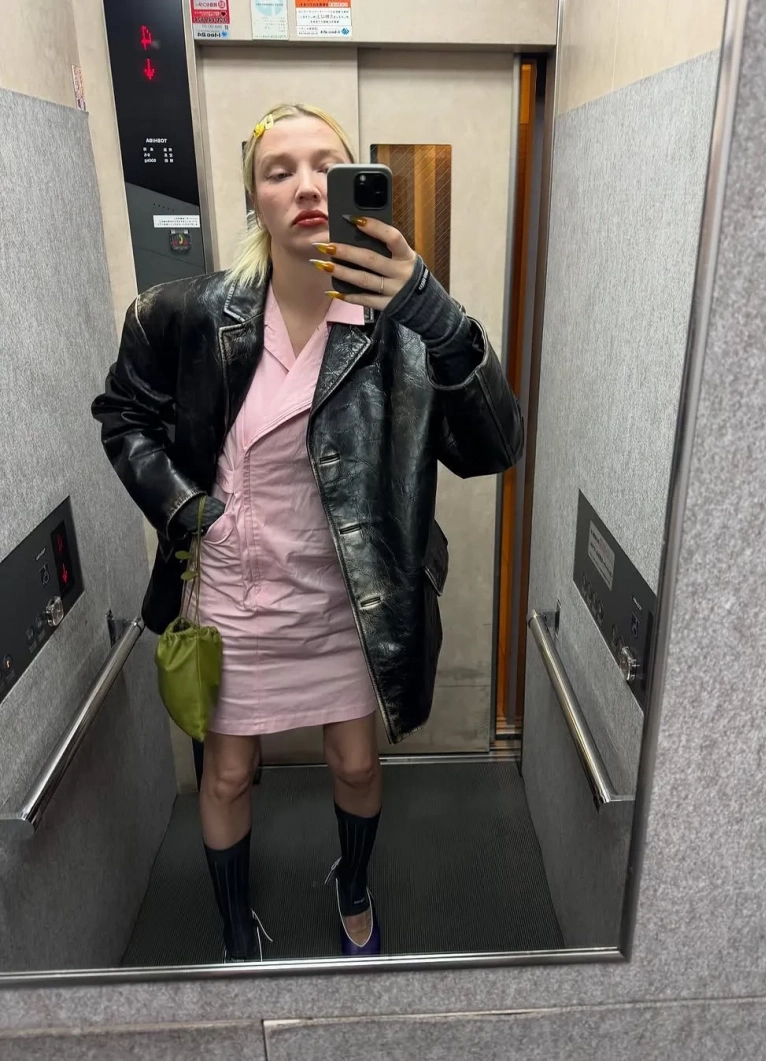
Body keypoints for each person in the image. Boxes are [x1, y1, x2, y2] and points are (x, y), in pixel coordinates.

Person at [91, 102, 524, 962]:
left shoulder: (402, 324)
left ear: (358, 183)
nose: (306, 186)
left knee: (358, 765)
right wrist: (188, 508)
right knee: (228, 772)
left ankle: (354, 884)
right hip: (237, 590)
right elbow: (122, 415)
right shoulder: (187, 314)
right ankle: (233, 929)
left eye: (327, 164)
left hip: (346, 596)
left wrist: (435, 310)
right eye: (278, 170)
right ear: (254, 199)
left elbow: (493, 447)